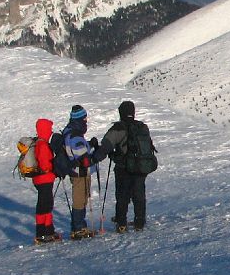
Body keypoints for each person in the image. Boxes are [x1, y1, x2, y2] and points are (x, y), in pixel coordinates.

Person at [101, 100, 154, 233]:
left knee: (122, 195)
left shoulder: (118, 128)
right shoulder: (142, 127)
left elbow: (106, 145)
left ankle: (121, 223)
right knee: (139, 194)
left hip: (123, 168)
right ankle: (139, 222)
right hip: (141, 167)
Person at [60, 104, 97, 239]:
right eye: (85, 118)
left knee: (81, 198)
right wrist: (95, 155)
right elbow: (81, 156)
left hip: (76, 171)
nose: (86, 120)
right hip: (79, 172)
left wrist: (89, 144)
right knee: (80, 199)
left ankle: (79, 226)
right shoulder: (75, 135)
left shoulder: (70, 131)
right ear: (80, 119)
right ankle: (78, 228)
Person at [32, 118, 62, 243]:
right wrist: (54, 167)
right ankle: (45, 232)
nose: (51, 131)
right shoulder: (43, 145)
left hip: (39, 179)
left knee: (44, 204)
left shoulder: (38, 143)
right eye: (49, 129)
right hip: (45, 179)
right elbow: (45, 165)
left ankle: (45, 231)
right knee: (46, 205)